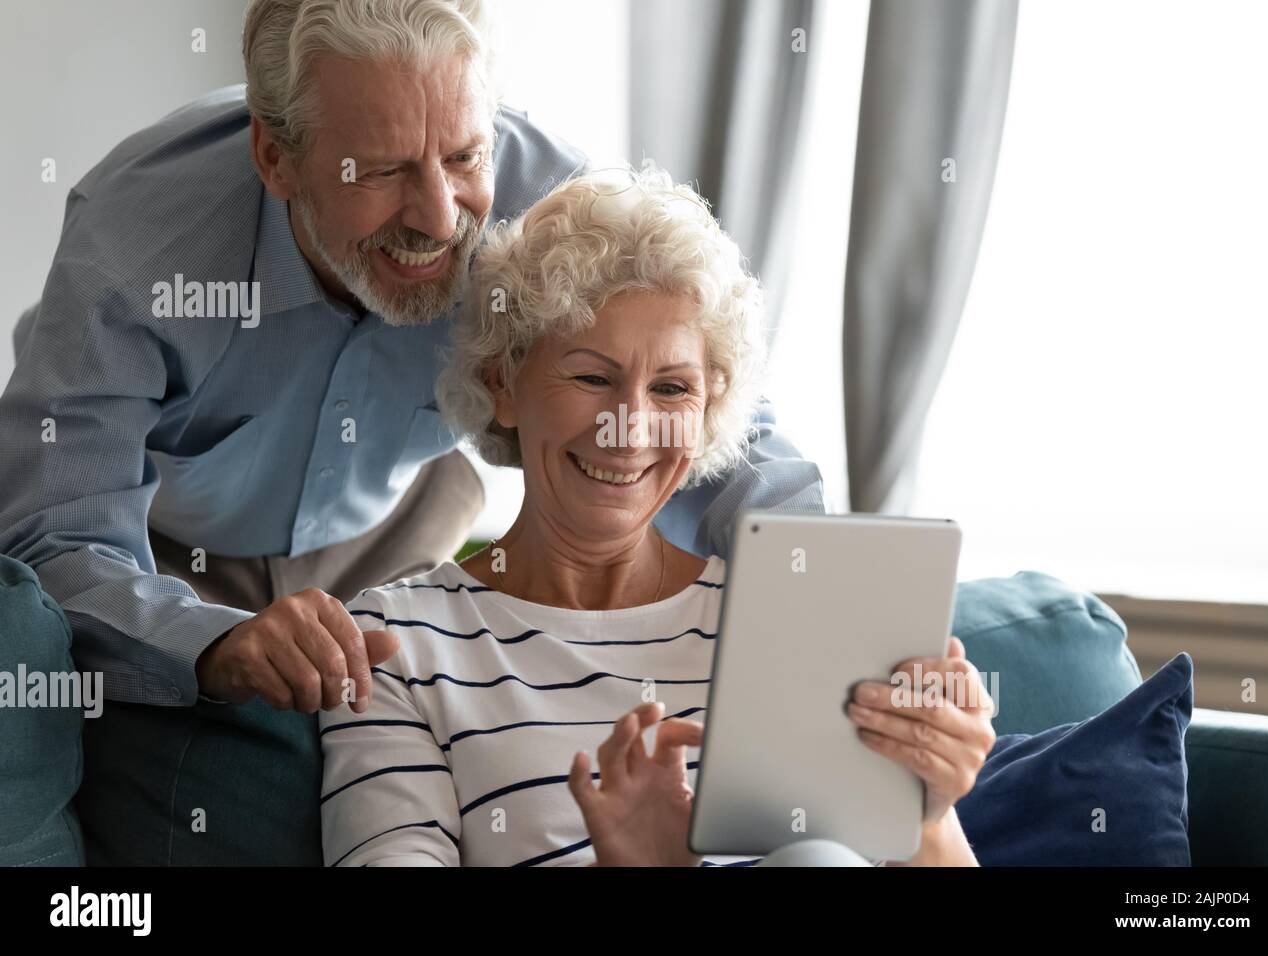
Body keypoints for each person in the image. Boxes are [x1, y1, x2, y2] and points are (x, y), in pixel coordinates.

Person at [0, 0, 821, 865]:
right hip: (177, 542)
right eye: (382, 170)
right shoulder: (136, 243)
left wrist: (834, 600)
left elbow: (716, 423)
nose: (437, 217)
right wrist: (207, 642)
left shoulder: (547, 198)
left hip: (401, 514)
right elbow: (54, 530)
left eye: (464, 155)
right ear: (276, 157)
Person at [318, 167, 996, 866]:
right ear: (504, 384)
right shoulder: (396, 646)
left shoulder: (784, 622)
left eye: (671, 388)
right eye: (591, 377)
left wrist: (926, 811)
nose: (631, 430)